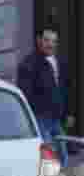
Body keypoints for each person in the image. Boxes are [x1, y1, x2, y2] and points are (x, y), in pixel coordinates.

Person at [18, 28, 73, 167]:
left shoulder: (60, 61)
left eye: (54, 41)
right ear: (39, 41)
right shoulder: (29, 64)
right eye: (47, 40)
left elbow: (65, 89)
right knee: (49, 157)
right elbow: (25, 94)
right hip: (40, 118)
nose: (51, 44)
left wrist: (69, 113)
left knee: (62, 156)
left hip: (56, 119)